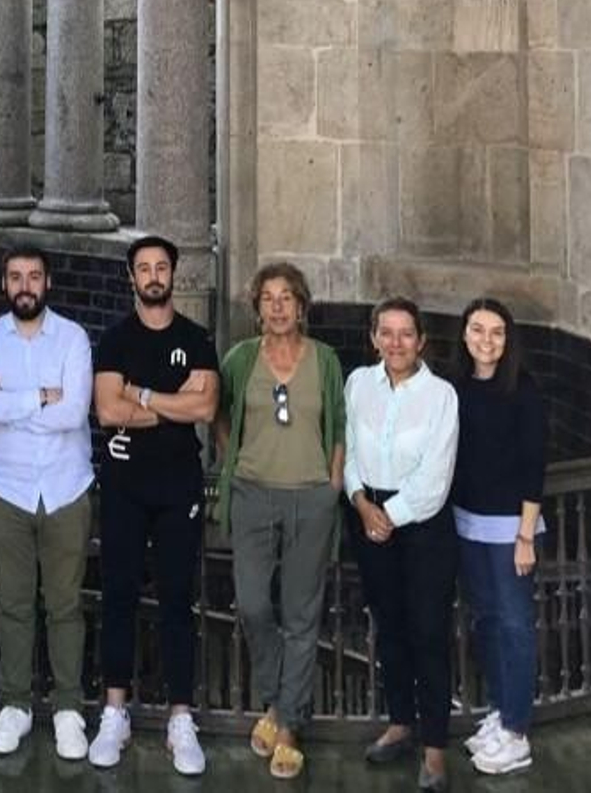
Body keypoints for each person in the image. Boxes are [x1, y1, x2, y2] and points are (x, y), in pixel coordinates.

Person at [90, 235, 220, 776]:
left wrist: (141, 396)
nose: (152, 276)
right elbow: (106, 411)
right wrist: (173, 404)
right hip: (123, 485)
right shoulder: (116, 340)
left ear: (172, 274)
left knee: (175, 599)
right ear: (131, 278)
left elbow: (208, 407)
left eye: (160, 267)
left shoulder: (196, 338)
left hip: (178, 488)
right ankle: (114, 711)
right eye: (143, 268)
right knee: (117, 594)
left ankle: (180, 719)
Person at [213, 263, 345, 780]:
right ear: (257, 308)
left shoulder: (326, 360)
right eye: (267, 298)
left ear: (301, 305)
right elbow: (217, 411)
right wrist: (233, 458)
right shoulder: (240, 359)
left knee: (301, 612)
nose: (277, 306)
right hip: (252, 495)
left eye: (286, 297)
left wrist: (333, 481)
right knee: (251, 603)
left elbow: (338, 420)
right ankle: (276, 699)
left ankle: (287, 724)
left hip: (311, 498)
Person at [0, 246, 94, 759]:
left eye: (34, 277)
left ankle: (67, 709)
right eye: (16, 277)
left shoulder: (73, 337)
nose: (25, 285)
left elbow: (74, 412)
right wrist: (42, 394)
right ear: (4, 285)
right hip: (6, 488)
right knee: (14, 604)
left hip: (66, 487)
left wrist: (11, 400)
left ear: (48, 284)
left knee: (65, 605)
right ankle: (15, 705)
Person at [343, 297, 459, 793]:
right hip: (368, 516)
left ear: (421, 341)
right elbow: (344, 448)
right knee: (388, 625)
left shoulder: (441, 396)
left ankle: (434, 750)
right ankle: (400, 722)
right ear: (373, 338)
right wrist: (361, 503)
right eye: (386, 333)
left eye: (405, 334)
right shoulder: (357, 384)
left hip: (421, 525)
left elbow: (436, 478)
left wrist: (387, 515)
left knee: (428, 632)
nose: (395, 343)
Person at [452, 298, 545, 775]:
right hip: (468, 523)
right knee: (487, 620)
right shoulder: (457, 387)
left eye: (496, 332)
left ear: (508, 340)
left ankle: (517, 729)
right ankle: (500, 710)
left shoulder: (522, 389)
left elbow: (534, 464)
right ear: (465, 335)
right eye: (477, 330)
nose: (486, 340)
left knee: (513, 624)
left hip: (511, 528)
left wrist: (526, 535)